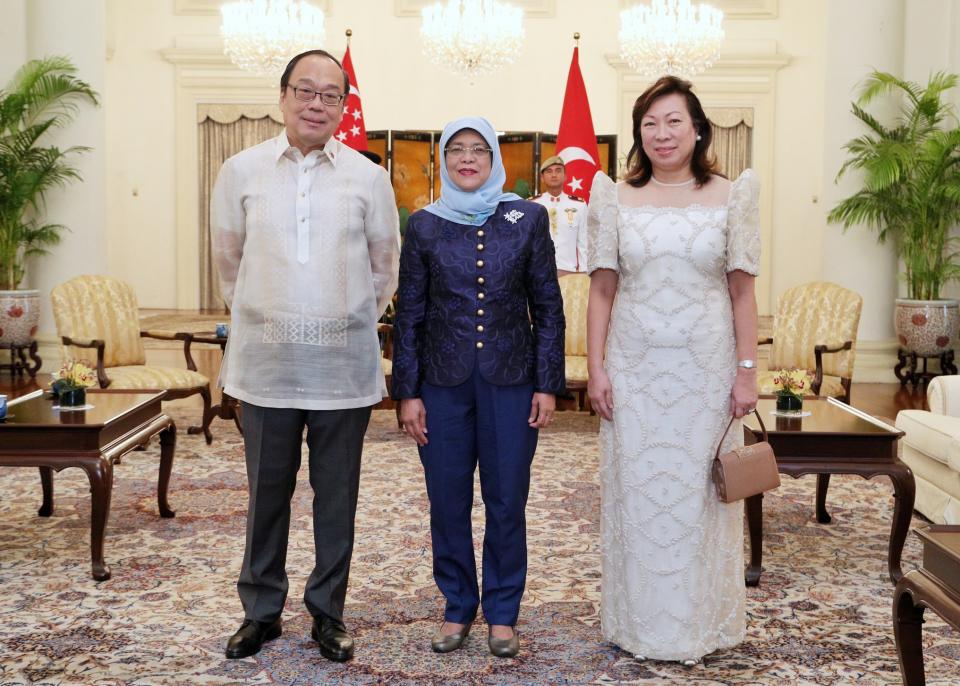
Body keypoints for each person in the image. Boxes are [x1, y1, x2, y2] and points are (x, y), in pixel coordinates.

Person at [211, 49, 400, 662]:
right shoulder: (240, 170)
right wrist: (270, 316)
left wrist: (338, 319)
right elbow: (228, 264)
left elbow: (384, 267)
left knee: (335, 496)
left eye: (330, 95)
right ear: (284, 95)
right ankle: (260, 612)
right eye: (305, 91)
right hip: (266, 368)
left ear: (343, 107)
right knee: (266, 493)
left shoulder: (368, 176)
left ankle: (327, 613)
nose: (316, 103)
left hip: (342, 368)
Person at [586, 75, 760, 665]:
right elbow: (603, 291)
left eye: (673, 122)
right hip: (633, 369)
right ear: (639, 134)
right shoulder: (614, 197)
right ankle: (639, 624)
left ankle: (698, 624)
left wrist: (745, 371)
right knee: (640, 494)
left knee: (699, 499)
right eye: (649, 124)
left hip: (705, 373)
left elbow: (741, 294)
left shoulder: (731, 195)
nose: (661, 134)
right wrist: (597, 369)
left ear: (698, 129)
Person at [391, 116, 565, 658]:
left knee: (507, 499)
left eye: (479, 151)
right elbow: (409, 314)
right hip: (440, 387)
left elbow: (548, 307)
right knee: (446, 501)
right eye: (457, 151)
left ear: (495, 160)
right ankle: (458, 606)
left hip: (512, 384)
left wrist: (547, 383)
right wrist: (407, 392)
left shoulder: (528, 218)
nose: (467, 160)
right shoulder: (422, 225)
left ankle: (504, 613)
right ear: (444, 160)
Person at [531, 155, 588, 276]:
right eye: (549, 171)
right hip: (538, 273)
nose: (554, 175)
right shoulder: (532, 205)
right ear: (542, 177)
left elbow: (584, 243)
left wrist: (584, 273)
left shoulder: (579, 205)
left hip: (569, 272)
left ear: (565, 176)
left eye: (558, 170)